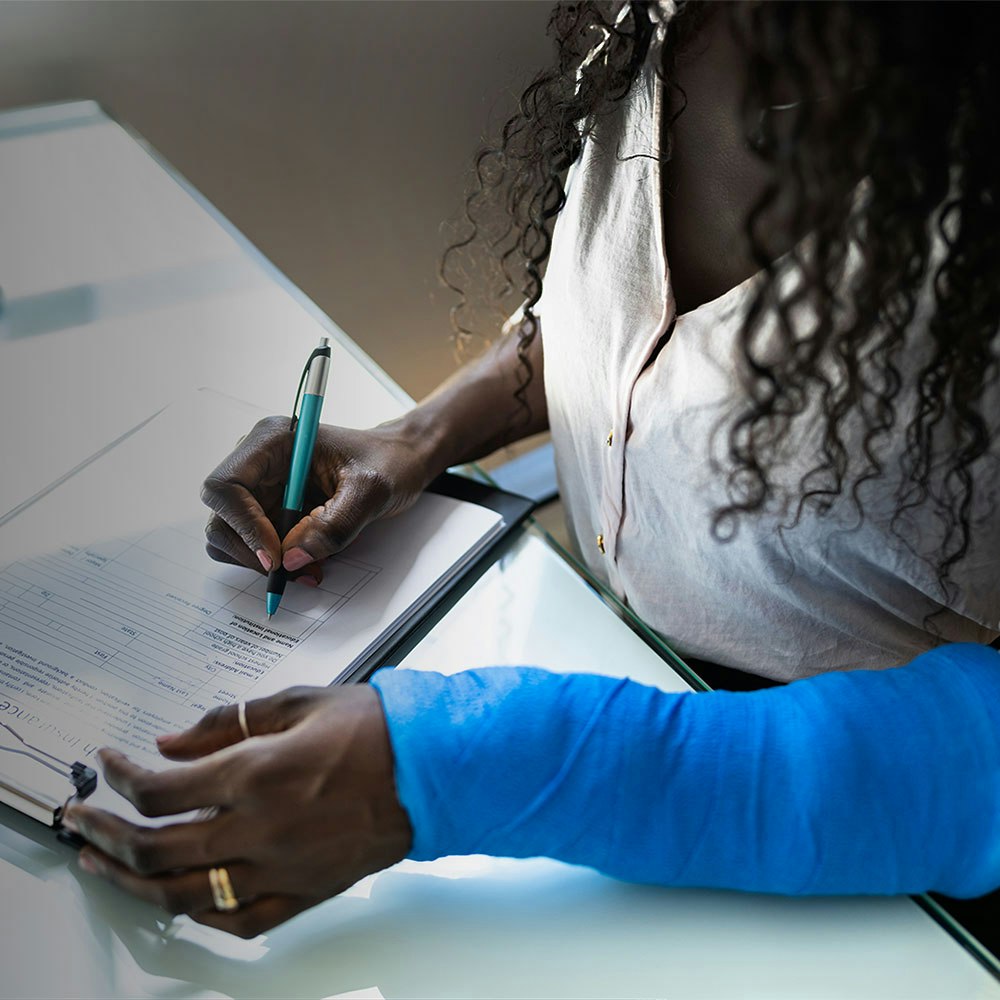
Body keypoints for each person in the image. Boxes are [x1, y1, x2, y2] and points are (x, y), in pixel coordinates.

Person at [63, 0, 1000, 939]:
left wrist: (477, 762)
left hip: (897, 890)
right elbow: (639, 336)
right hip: (611, 669)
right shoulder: (657, 20)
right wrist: (421, 435)